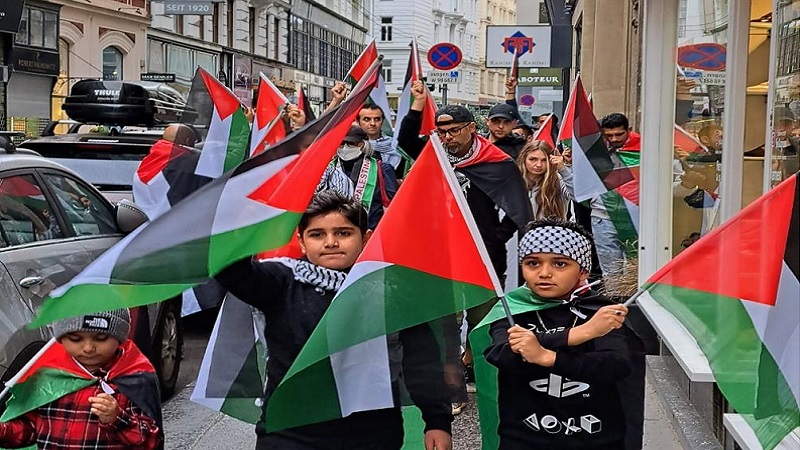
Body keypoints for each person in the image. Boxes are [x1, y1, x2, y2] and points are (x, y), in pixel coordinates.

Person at [216, 191, 454, 450]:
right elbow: (229, 270)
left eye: (343, 233)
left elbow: (422, 359)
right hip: (289, 435)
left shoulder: (392, 289)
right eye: (317, 234)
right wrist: (244, 227)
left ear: (366, 238)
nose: (330, 242)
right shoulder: (281, 281)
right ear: (302, 242)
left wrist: (437, 421)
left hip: (371, 436)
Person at [397, 79, 533, 394]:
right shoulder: (434, 154)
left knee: (482, 319)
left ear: (472, 128)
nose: (447, 138)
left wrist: (496, 236)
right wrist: (418, 103)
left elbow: (518, 207)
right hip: (440, 251)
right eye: (442, 132)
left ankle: (481, 376)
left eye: (454, 131)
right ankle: (451, 384)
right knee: (445, 320)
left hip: (483, 253)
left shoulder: (495, 161)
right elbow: (405, 140)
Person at [482, 219, 634, 449]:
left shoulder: (601, 312)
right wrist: (579, 334)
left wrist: (548, 357)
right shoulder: (512, 309)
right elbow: (500, 353)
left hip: (596, 439)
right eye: (533, 263)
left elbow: (617, 365)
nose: (544, 273)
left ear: (583, 271)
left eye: (560, 264)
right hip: (523, 439)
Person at [0, 308, 163, 449]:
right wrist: (3, 431)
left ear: (119, 337)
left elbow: (151, 442)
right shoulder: (48, 376)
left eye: (101, 338)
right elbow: (30, 429)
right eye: (75, 339)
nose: (88, 348)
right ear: (61, 339)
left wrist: (118, 419)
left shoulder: (133, 377)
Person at [580, 113, 641, 278]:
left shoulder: (644, 150)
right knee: (611, 272)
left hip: (634, 217)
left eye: (619, 134)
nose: (614, 139)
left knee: (636, 270)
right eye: (609, 135)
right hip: (603, 218)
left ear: (629, 130)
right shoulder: (594, 152)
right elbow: (582, 186)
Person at [316, 125, 398, 229]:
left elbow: (393, 203)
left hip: (372, 231)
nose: (345, 148)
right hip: (336, 230)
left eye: (352, 143)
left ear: (363, 144)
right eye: (342, 143)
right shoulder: (327, 170)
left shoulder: (382, 169)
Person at [517, 140, 574, 220]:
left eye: (544, 160)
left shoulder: (557, 180)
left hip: (552, 227)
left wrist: (563, 169)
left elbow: (576, 196)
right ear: (524, 159)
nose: (539, 165)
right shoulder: (514, 180)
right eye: (533, 159)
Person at [357, 104, 410, 177]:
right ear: (358, 121)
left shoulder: (395, 145)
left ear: (382, 121)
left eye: (377, 119)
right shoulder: (352, 145)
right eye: (367, 119)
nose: (372, 123)